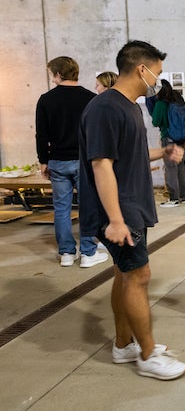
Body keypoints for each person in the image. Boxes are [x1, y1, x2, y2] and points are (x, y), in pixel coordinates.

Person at [79, 40, 185, 380]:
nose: (157, 79)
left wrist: (163, 153)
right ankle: (147, 355)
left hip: (132, 206)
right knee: (139, 276)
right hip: (120, 211)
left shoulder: (128, 106)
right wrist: (114, 219)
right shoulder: (106, 108)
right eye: (155, 72)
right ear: (141, 69)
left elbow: (129, 153)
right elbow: (101, 165)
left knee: (125, 273)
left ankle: (124, 344)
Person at [36, 56, 109, 268]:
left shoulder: (46, 99)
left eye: (52, 74)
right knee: (88, 206)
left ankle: (66, 253)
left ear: (59, 74)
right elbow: (97, 131)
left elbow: (42, 134)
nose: (51, 78)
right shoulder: (90, 98)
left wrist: (43, 161)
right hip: (84, 161)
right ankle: (87, 252)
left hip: (57, 161)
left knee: (61, 208)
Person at [147, 79, 185, 207]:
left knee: (170, 168)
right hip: (182, 138)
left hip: (168, 138)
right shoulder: (178, 98)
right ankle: (183, 196)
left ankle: (173, 199)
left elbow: (155, 122)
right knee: (181, 167)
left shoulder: (161, 103)